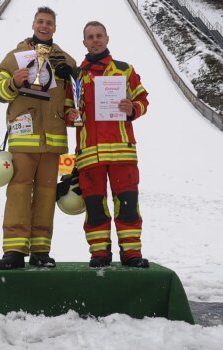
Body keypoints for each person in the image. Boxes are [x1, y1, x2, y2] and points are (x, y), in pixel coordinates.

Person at [0, 7, 76, 270]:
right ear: (33, 24)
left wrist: (72, 110)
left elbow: (75, 90)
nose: (44, 26)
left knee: (47, 194)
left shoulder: (64, 59)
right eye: (41, 22)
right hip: (24, 135)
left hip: (53, 138)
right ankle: (14, 249)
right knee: (18, 190)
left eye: (49, 22)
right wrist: (13, 82)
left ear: (55, 28)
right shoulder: (16, 56)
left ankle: (40, 249)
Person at [65, 21, 150, 268]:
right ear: (84, 43)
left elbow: (143, 99)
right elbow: (69, 110)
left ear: (107, 38)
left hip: (122, 152)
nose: (95, 40)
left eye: (99, 35)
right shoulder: (76, 77)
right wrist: (70, 116)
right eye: (90, 37)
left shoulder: (124, 70)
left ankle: (131, 253)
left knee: (127, 204)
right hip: (89, 155)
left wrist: (132, 109)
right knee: (95, 207)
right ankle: (99, 253)